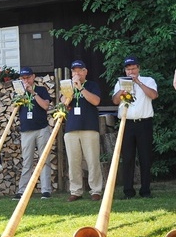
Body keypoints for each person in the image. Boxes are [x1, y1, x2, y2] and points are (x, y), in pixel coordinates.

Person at [112, 56, 158, 199]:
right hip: (127, 124)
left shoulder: (148, 80)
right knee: (127, 158)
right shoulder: (120, 83)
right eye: (128, 69)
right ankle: (128, 191)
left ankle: (145, 190)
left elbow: (154, 95)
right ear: (125, 70)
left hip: (144, 123)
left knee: (145, 157)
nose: (130, 71)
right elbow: (114, 101)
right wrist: (123, 89)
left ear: (138, 68)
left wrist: (137, 82)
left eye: (133, 68)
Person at [62, 60, 103, 202]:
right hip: (71, 128)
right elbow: (64, 103)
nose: (77, 73)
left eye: (80, 70)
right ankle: (76, 190)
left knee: (92, 160)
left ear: (85, 72)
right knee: (73, 161)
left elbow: (96, 101)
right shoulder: (68, 86)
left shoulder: (92, 85)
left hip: (89, 127)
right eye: (74, 71)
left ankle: (96, 190)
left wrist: (81, 88)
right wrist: (72, 89)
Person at [13, 67, 53, 201]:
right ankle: (22, 190)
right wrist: (21, 95)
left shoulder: (41, 90)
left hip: (41, 128)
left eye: (28, 78)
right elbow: (15, 108)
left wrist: (33, 92)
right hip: (26, 130)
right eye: (23, 78)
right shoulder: (19, 92)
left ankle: (46, 190)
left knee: (44, 160)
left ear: (33, 77)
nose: (26, 80)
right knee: (27, 162)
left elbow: (46, 106)